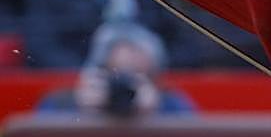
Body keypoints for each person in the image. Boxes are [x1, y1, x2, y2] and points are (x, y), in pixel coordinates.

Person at [36, 21, 195, 117]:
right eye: (115, 75)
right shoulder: (60, 102)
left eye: (136, 76)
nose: (123, 87)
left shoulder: (173, 104)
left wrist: (156, 114)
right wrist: (80, 112)